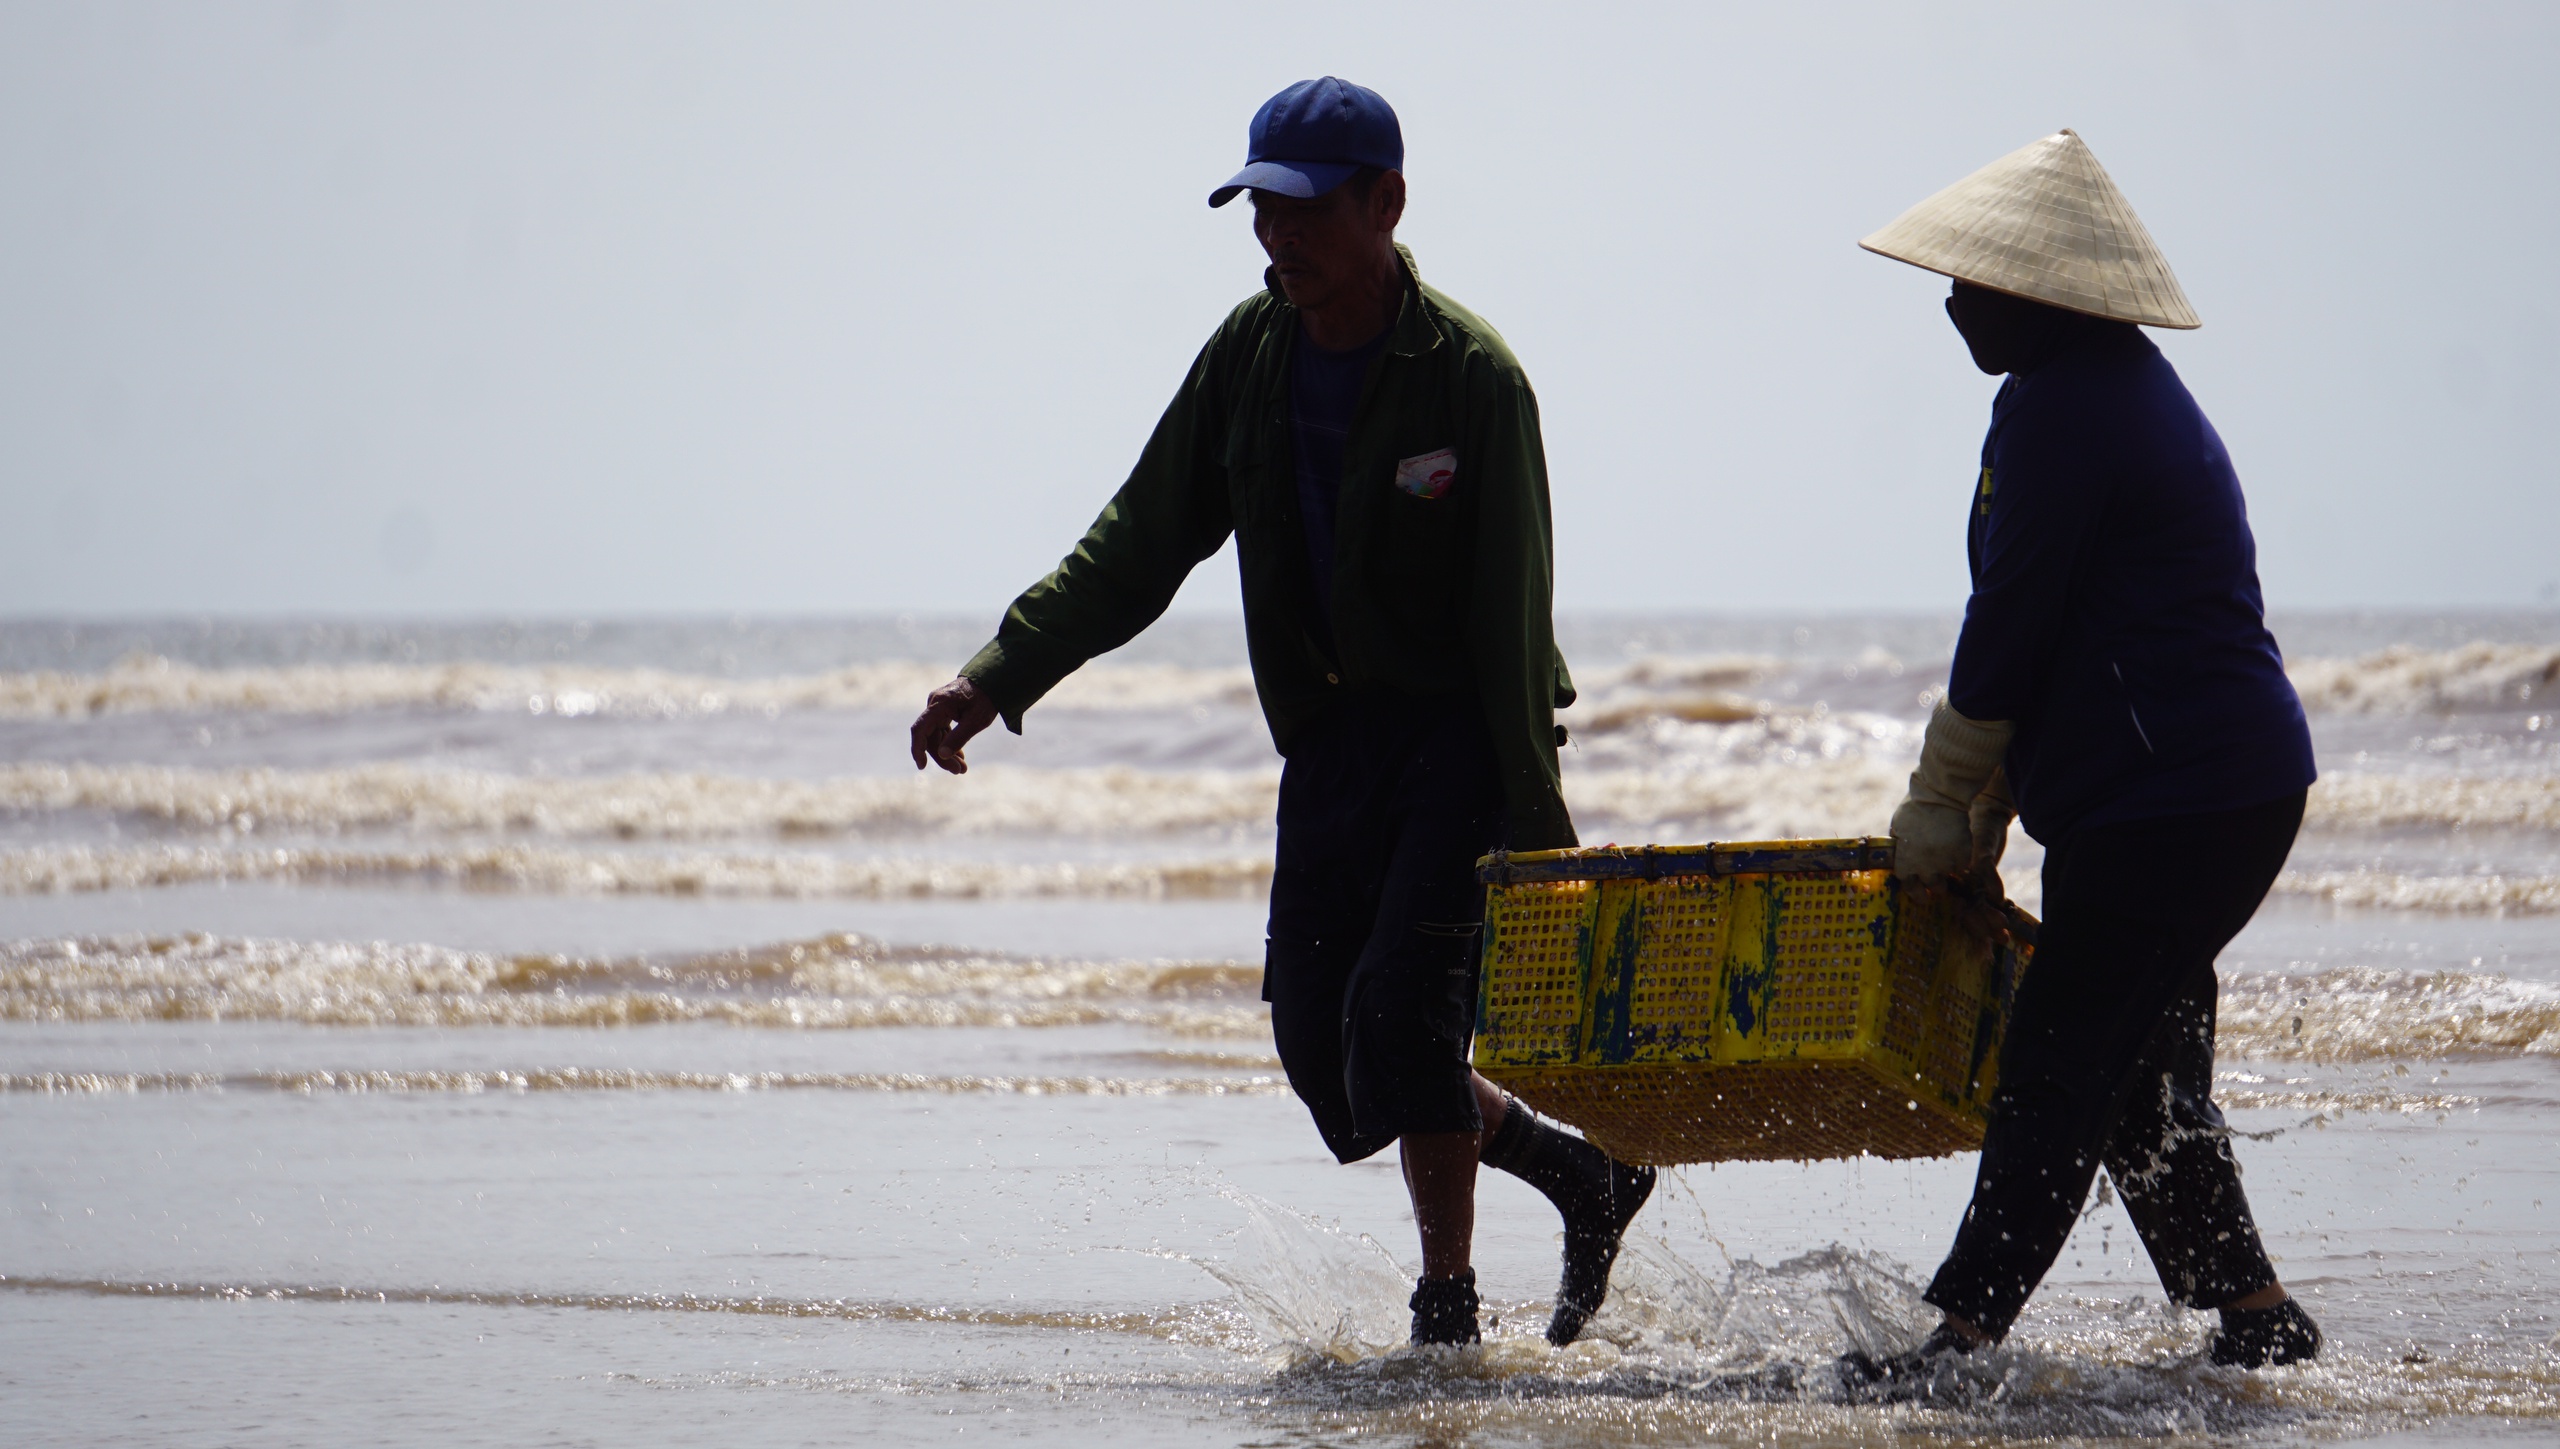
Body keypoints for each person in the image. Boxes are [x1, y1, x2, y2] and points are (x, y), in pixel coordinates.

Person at [904, 77, 1653, 1348]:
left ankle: (1447, 1304)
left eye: (1304, 211)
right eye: (1260, 209)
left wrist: (1537, 822)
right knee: (1323, 1045)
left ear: (1386, 204)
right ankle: (1581, 1176)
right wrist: (998, 673)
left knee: (1400, 1014)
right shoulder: (1247, 360)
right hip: (1331, 743)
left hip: (1458, 737)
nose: (1278, 237)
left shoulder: (1473, 379)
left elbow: (1511, 614)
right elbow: (1139, 541)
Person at [1849, 130, 2323, 1389]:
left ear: (2038, 292)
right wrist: (1994, 809)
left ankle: (1957, 1343)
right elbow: (2053, 629)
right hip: (2215, 789)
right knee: (2137, 1068)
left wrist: (1942, 803)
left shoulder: (2066, 405)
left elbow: (2008, 626)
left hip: (2172, 799)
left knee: (2057, 1060)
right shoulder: (2098, 390)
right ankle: (2255, 1314)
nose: (1950, 303)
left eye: (1972, 281)